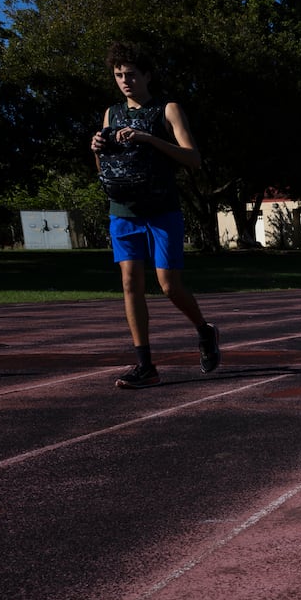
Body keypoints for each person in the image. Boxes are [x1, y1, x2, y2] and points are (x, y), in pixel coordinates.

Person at [90, 41, 220, 389]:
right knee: (130, 283)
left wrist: (149, 139)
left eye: (131, 74)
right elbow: (105, 169)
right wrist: (97, 149)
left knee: (168, 285)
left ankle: (204, 330)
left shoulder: (168, 109)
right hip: (123, 212)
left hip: (162, 210)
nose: (125, 81)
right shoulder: (111, 113)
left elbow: (193, 159)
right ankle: (145, 365)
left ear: (147, 75)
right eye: (118, 75)